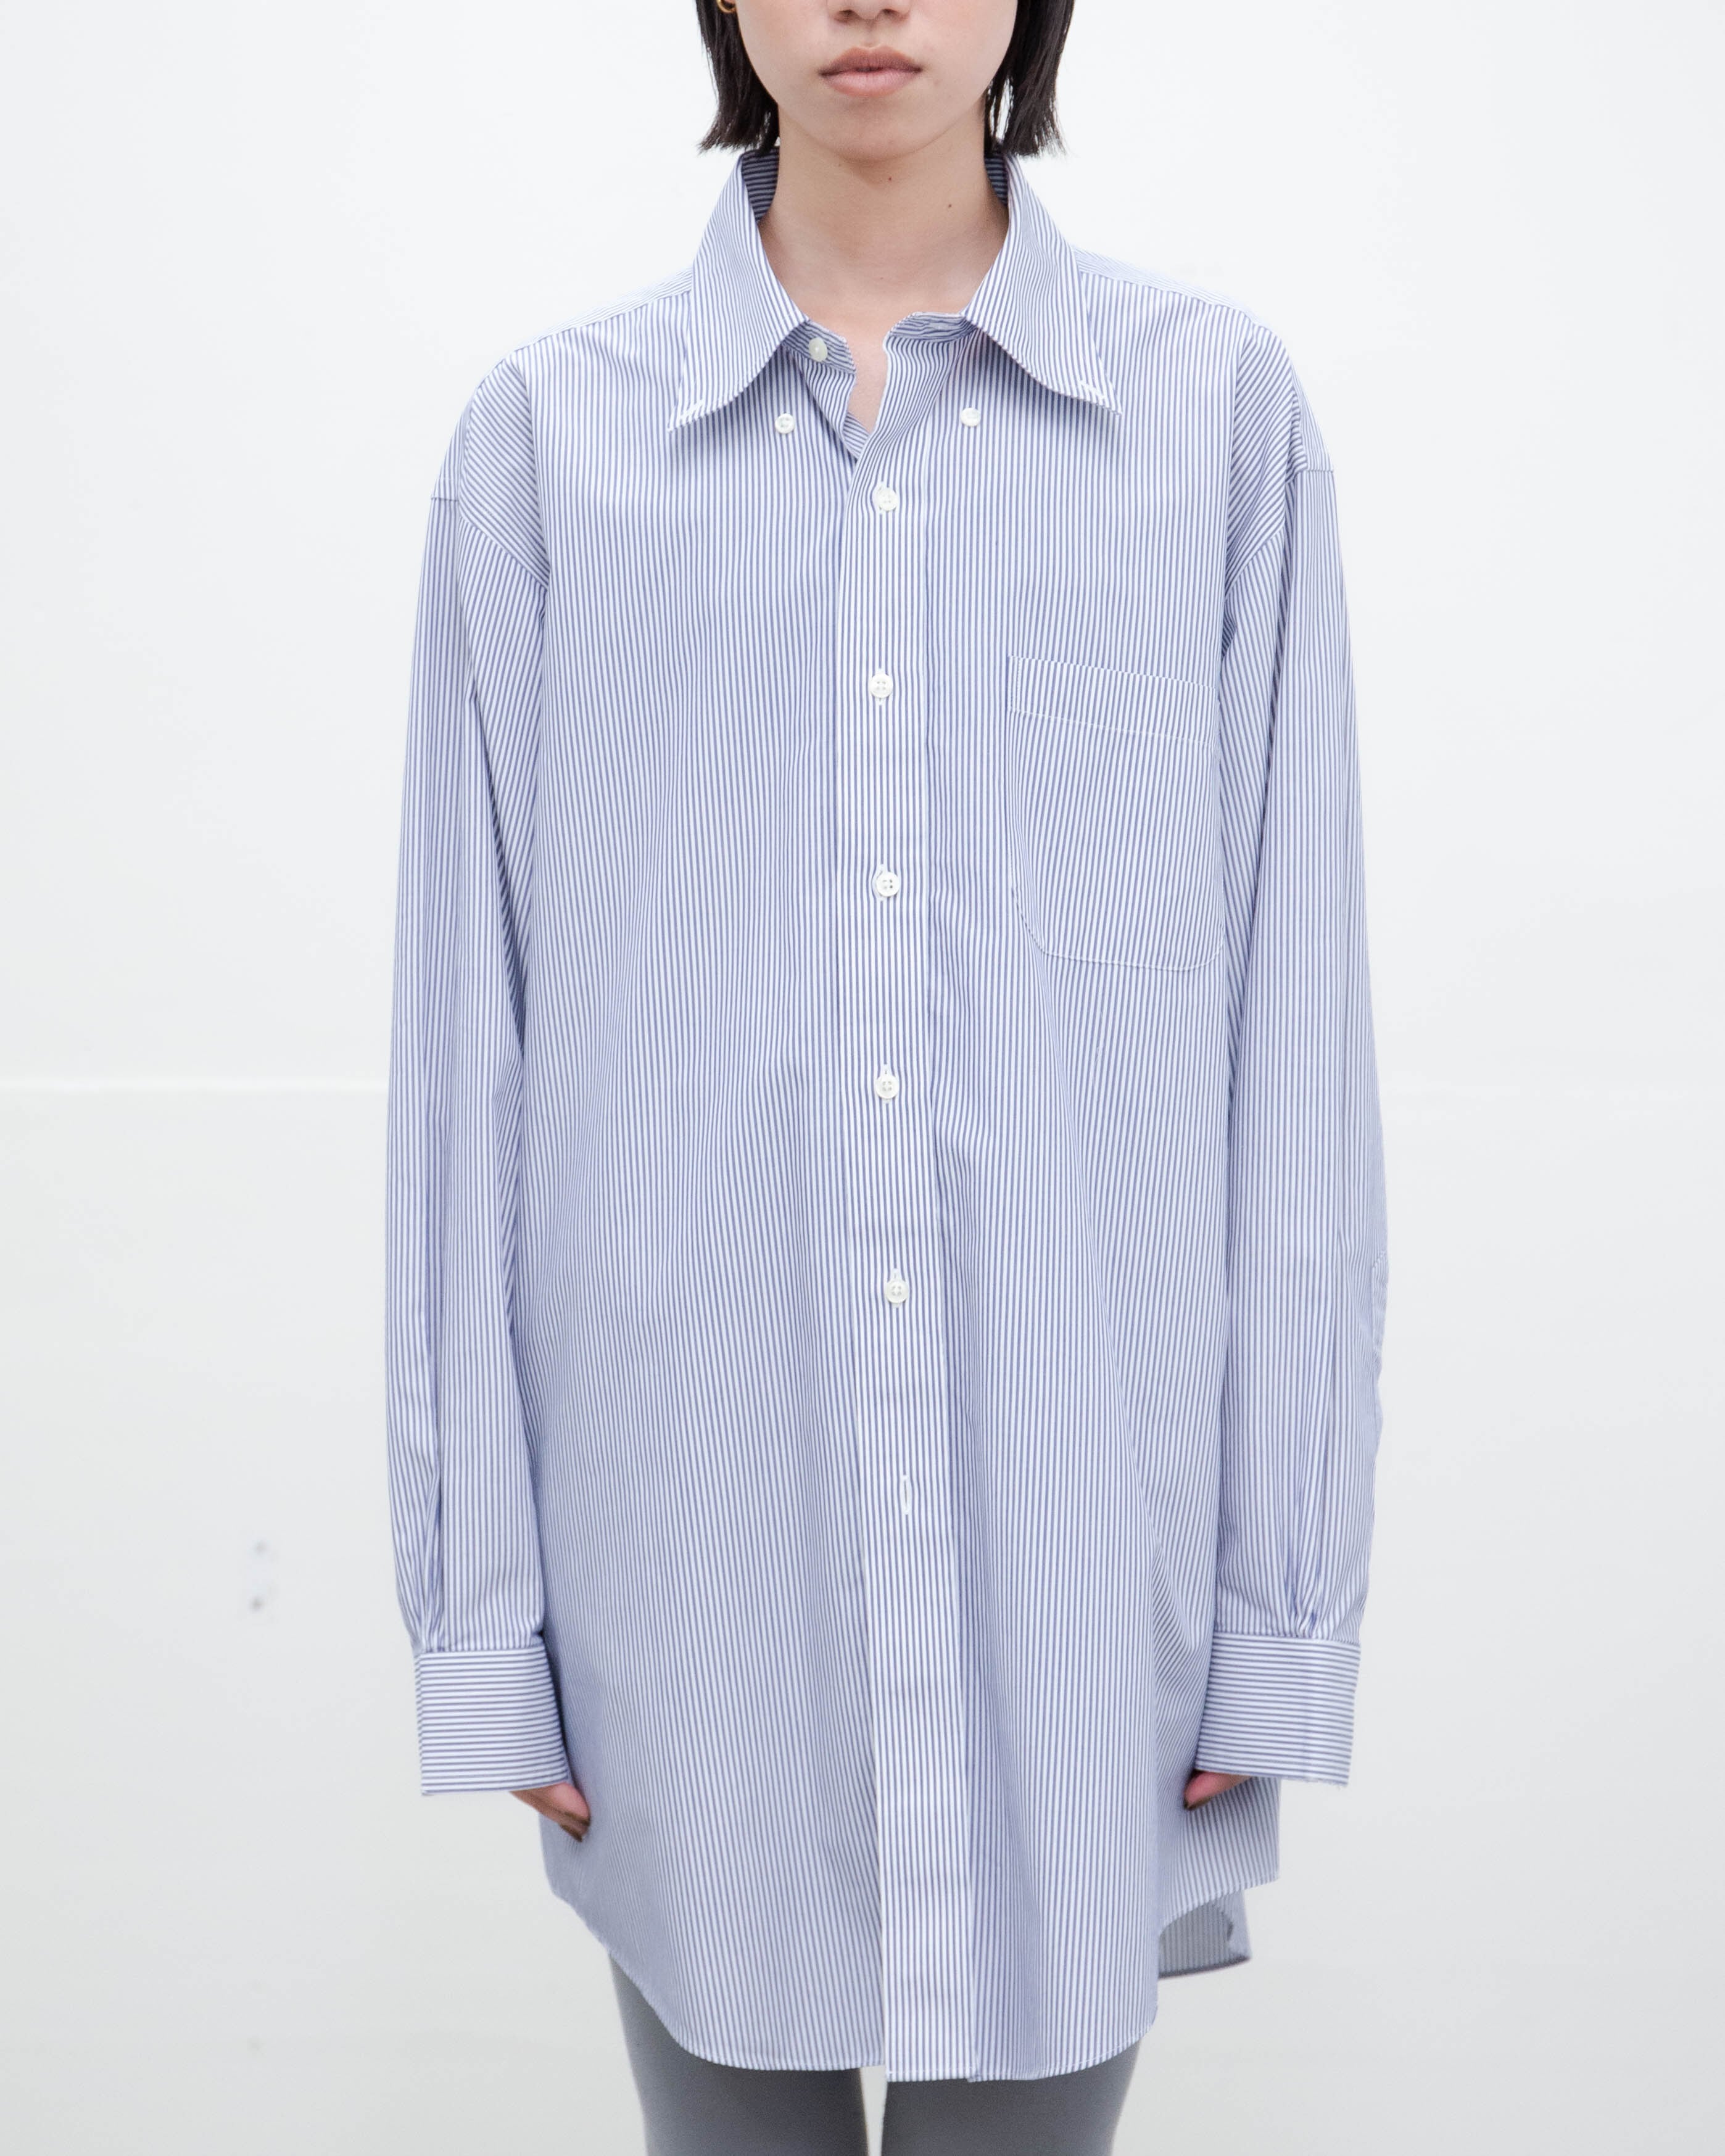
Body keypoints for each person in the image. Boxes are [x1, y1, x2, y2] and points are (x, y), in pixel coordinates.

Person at [384, 1, 1388, 2149]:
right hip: (687, 1574)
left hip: (1076, 1573)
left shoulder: (1213, 422)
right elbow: (465, 1064)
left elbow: (1293, 1069)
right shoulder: (548, 447)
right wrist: (484, 1616)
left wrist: (1278, 1606)